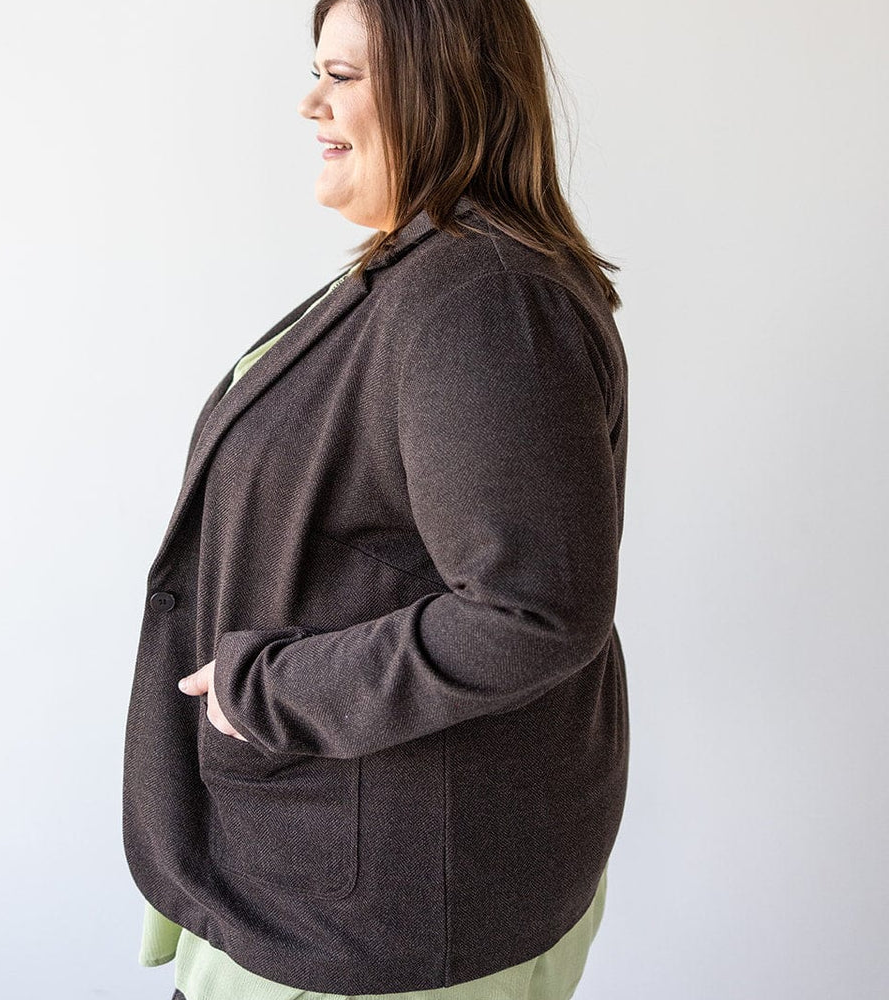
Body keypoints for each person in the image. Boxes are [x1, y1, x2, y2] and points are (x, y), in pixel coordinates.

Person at [122, 0, 630, 998]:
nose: (311, 101)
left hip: (372, 898)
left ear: (450, 82)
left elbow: (530, 611)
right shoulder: (420, 272)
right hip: (333, 852)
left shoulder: (481, 298)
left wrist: (260, 690)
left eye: (344, 75)